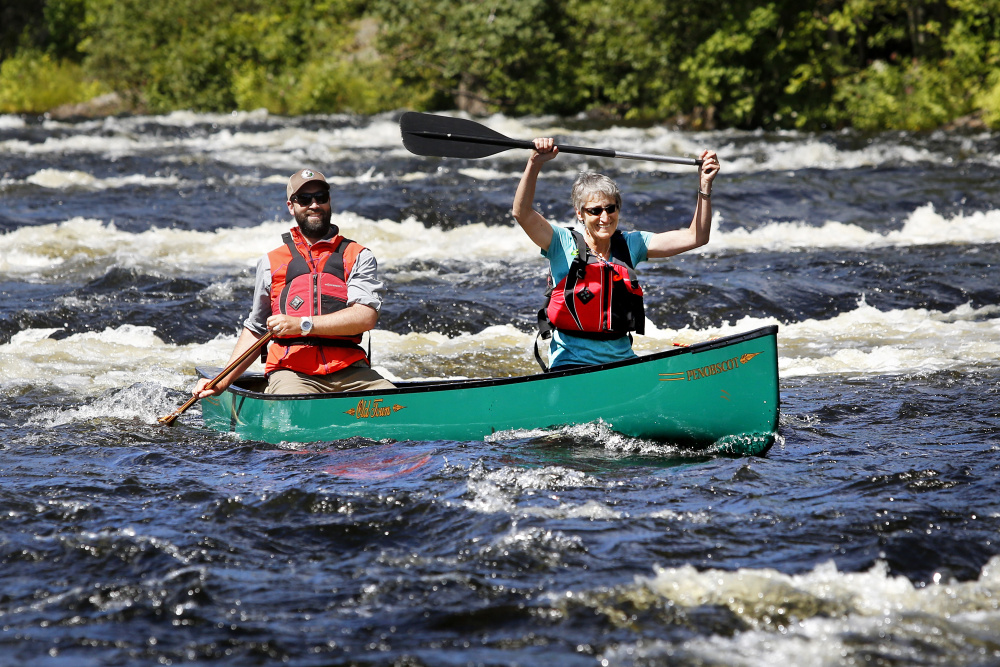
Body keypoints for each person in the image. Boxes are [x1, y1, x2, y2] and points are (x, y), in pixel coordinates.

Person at [512, 138, 721, 371]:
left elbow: (696, 237)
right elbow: (521, 213)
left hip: (622, 362)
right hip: (570, 364)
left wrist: (705, 185)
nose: (605, 217)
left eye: (611, 208)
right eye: (595, 210)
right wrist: (535, 161)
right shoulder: (560, 242)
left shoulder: (631, 244)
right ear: (580, 214)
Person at [193, 168, 395, 398]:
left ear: (329, 201)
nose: (314, 205)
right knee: (295, 417)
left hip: (351, 370)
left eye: (321, 197)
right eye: (304, 199)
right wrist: (222, 382)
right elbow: (257, 329)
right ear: (291, 206)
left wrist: (302, 324)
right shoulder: (271, 262)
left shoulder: (358, 255)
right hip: (292, 372)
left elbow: (365, 316)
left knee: (402, 409)